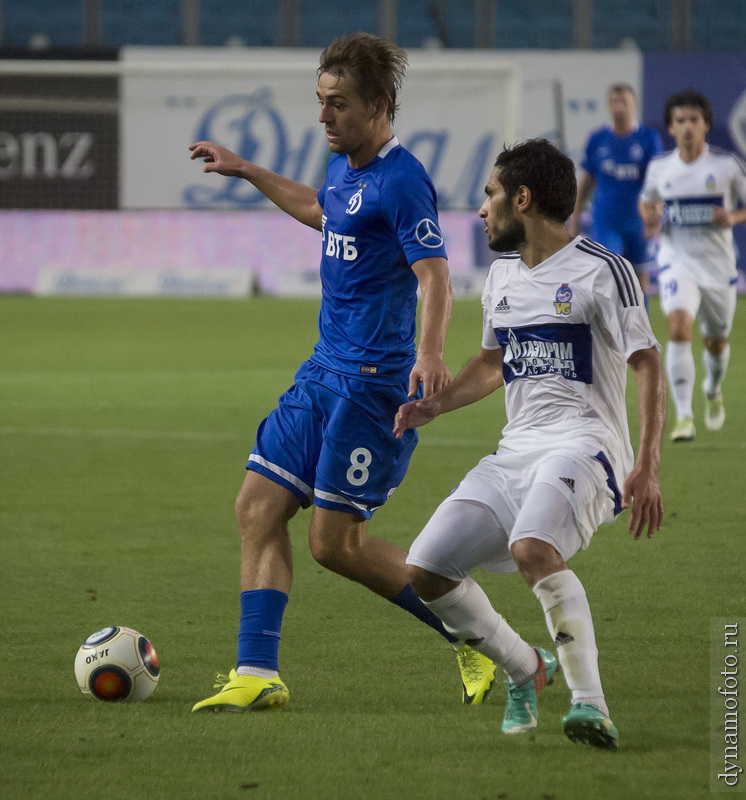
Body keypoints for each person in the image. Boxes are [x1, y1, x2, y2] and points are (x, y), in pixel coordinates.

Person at [187, 32, 496, 713]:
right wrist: (247, 170)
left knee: (335, 545)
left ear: (379, 105)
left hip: (371, 387)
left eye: (338, 104)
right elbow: (323, 214)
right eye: (320, 102)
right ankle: (257, 672)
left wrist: (431, 352)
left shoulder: (402, 178)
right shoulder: (348, 171)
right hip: (321, 374)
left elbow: (437, 276)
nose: (324, 116)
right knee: (256, 508)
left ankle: (478, 636)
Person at [394, 138, 666, 749]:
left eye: (491, 194)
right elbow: (494, 364)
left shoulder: (604, 270)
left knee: (533, 547)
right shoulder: (501, 277)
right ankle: (526, 668)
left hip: (587, 446)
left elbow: (647, 363)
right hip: (517, 450)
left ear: (522, 198)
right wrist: (434, 405)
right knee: (426, 570)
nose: (482, 208)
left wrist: (647, 462)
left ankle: (591, 706)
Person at [639, 88, 746, 442]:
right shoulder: (659, 168)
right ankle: (684, 416)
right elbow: (648, 203)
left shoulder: (726, 166)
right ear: (671, 127)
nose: (687, 127)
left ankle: (712, 390)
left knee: (716, 342)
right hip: (676, 260)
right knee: (678, 327)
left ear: (706, 125)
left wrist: (732, 216)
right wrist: (650, 217)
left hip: (717, 266)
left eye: (694, 120)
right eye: (680, 120)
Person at [570, 83, 663, 299]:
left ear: (635, 104)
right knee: (607, 272)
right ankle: (611, 329)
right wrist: (576, 216)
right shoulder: (598, 138)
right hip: (606, 220)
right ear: (608, 105)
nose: (619, 106)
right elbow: (587, 179)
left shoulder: (649, 138)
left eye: (624, 101)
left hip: (637, 219)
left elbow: (656, 182)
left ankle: (640, 328)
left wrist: (654, 216)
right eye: (614, 101)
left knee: (639, 277)